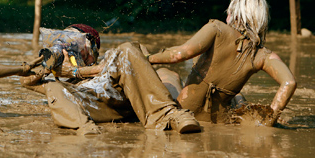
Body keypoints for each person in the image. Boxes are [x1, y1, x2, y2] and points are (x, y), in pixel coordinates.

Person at [146, 0, 297, 127]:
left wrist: (148, 58)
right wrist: (269, 120)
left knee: (167, 73)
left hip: (186, 112)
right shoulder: (262, 55)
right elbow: (289, 82)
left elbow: (178, 55)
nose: (227, 17)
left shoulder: (216, 29)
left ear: (235, 14)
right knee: (238, 96)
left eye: (229, 12)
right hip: (221, 122)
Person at [21, 24, 201, 135]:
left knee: (131, 51)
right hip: (90, 108)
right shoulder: (66, 82)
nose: (71, 48)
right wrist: (49, 63)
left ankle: (172, 114)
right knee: (54, 87)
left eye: (76, 43)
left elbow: (131, 60)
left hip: (122, 99)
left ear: (92, 50)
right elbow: (26, 81)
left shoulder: (111, 58)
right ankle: (83, 128)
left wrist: (77, 71)